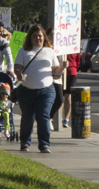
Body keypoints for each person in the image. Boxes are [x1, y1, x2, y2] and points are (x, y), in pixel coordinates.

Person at [15, 24, 63, 153]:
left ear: (44, 37)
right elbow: (17, 67)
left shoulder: (50, 51)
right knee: (28, 117)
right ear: (30, 38)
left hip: (46, 90)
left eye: (40, 36)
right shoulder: (23, 51)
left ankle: (44, 144)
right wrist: (19, 74)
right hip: (26, 90)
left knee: (43, 116)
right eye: (35, 36)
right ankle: (25, 142)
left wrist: (63, 66)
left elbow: (56, 72)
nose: (38, 38)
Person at [46, 27, 69, 127]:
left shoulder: (61, 50)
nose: (53, 37)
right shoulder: (45, 49)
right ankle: (44, 119)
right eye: (51, 34)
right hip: (46, 78)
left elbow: (59, 67)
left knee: (59, 100)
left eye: (56, 35)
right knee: (47, 100)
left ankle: (48, 117)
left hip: (57, 78)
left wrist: (64, 65)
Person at [61, 51, 81, 128]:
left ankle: (66, 118)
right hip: (66, 71)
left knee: (66, 96)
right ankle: (64, 119)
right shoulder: (74, 47)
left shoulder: (74, 47)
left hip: (70, 72)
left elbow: (78, 60)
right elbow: (78, 60)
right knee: (63, 97)